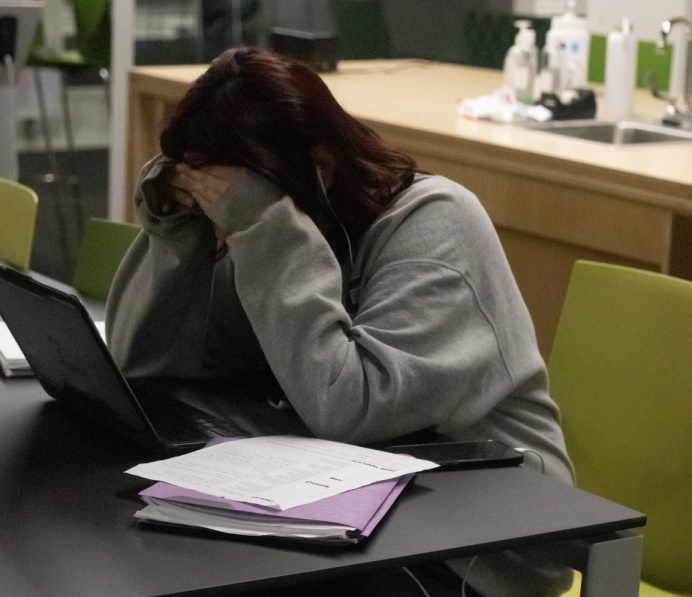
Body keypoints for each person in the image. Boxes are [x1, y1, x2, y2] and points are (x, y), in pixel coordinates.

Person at [106, 46, 576, 597]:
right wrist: (178, 231)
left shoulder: (436, 223)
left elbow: (347, 404)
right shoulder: (279, 231)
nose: (222, 221)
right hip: (365, 505)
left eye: (231, 198)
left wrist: (263, 225)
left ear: (321, 165)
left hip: (483, 543)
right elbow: (154, 368)